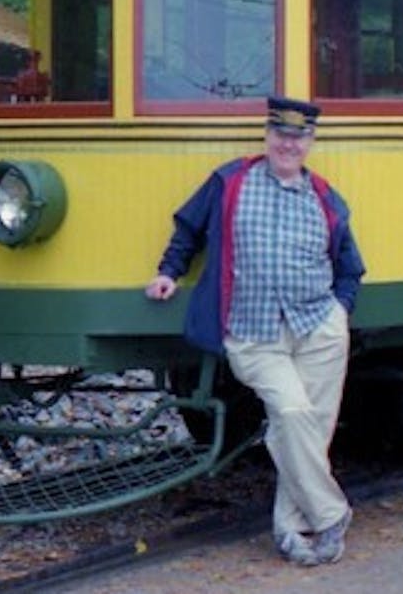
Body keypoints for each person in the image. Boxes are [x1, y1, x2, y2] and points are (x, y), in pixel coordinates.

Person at [146, 95, 365, 566]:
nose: (289, 143)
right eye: (281, 134)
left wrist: (340, 312)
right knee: (290, 414)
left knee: (309, 430)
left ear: (311, 142)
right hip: (253, 332)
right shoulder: (232, 182)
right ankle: (331, 515)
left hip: (318, 328)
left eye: (299, 136)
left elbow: (350, 265)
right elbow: (188, 228)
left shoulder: (324, 197)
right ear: (267, 136)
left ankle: (292, 533)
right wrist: (168, 272)